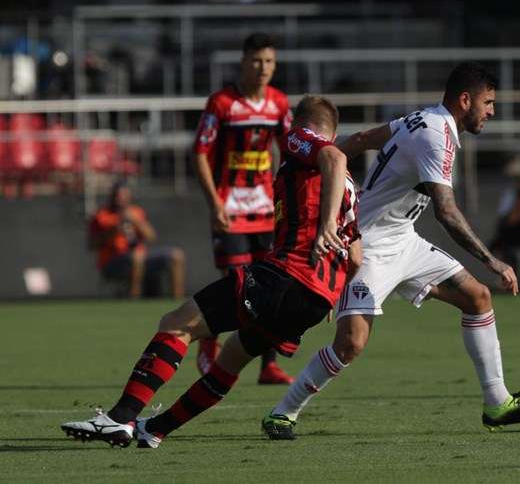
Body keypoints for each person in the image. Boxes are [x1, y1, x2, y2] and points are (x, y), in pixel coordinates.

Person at [262, 62, 520, 441]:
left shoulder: (422, 119)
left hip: (404, 238)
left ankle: (497, 403)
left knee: (478, 297)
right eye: (488, 102)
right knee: (351, 343)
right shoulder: (437, 135)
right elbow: (446, 211)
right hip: (367, 244)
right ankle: (282, 413)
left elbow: (366, 137)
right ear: (465, 100)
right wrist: (492, 260)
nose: (492, 111)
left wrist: (331, 158)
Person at [61, 95, 361, 449]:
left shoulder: (305, 141)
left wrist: (325, 223)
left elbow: (333, 155)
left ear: (299, 126)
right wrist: (333, 295)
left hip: (285, 277)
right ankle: (154, 429)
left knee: (177, 323)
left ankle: (119, 417)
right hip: (315, 300)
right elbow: (356, 257)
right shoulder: (350, 188)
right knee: (231, 358)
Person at [192, 33, 293, 384]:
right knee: (236, 286)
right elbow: (200, 153)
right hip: (230, 211)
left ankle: (268, 366)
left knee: (269, 288)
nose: (263, 68)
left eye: (269, 62)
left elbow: (291, 151)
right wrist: (214, 202)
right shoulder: (221, 103)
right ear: (243, 61)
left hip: (267, 212)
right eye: (256, 60)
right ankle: (208, 344)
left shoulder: (279, 104)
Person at [88, 180, 185, 299]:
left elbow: (151, 237)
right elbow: (92, 244)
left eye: (124, 195)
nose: (121, 199)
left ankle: (177, 300)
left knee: (176, 256)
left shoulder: (136, 212)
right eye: (118, 195)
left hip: (141, 257)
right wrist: (113, 230)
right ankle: (134, 299)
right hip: (113, 261)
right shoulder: (102, 215)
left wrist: (136, 221)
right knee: (137, 257)